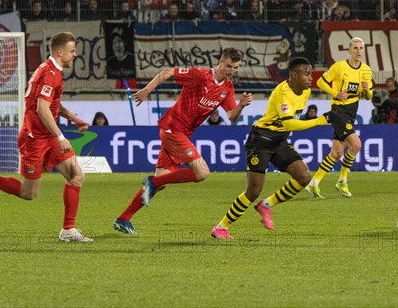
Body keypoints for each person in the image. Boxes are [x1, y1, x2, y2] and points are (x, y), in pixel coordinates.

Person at [0, 32, 93, 242]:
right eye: (72, 51)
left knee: (76, 176)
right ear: (60, 52)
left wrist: (74, 118)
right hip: (34, 138)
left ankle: (68, 230)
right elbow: (43, 110)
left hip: (47, 135)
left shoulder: (51, 70)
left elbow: (51, 104)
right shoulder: (50, 74)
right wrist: (61, 137)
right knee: (28, 193)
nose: (75, 55)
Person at [113, 48, 253, 234]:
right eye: (229, 66)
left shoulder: (227, 88)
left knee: (161, 182)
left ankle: (123, 219)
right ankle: (151, 181)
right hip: (173, 128)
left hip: (182, 134)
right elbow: (167, 72)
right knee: (202, 172)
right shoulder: (200, 75)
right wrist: (147, 89)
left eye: (235, 67)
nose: (231, 70)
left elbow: (231, 116)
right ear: (220, 61)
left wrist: (241, 105)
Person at [211, 57, 336, 239]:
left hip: (279, 140)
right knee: (253, 190)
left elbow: (290, 124)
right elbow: (290, 125)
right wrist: (320, 120)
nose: (311, 78)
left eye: (310, 74)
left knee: (303, 177)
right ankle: (221, 227)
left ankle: (266, 205)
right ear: (293, 75)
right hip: (261, 139)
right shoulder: (283, 92)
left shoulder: (305, 92)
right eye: (306, 74)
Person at [305, 37, 373, 198]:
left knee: (336, 153)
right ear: (349, 50)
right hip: (338, 110)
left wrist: (366, 89)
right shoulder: (339, 67)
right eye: (355, 48)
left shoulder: (366, 70)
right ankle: (342, 180)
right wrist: (336, 93)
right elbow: (320, 82)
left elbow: (369, 96)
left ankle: (314, 183)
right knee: (356, 144)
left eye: (361, 48)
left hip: (352, 110)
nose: (358, 51)